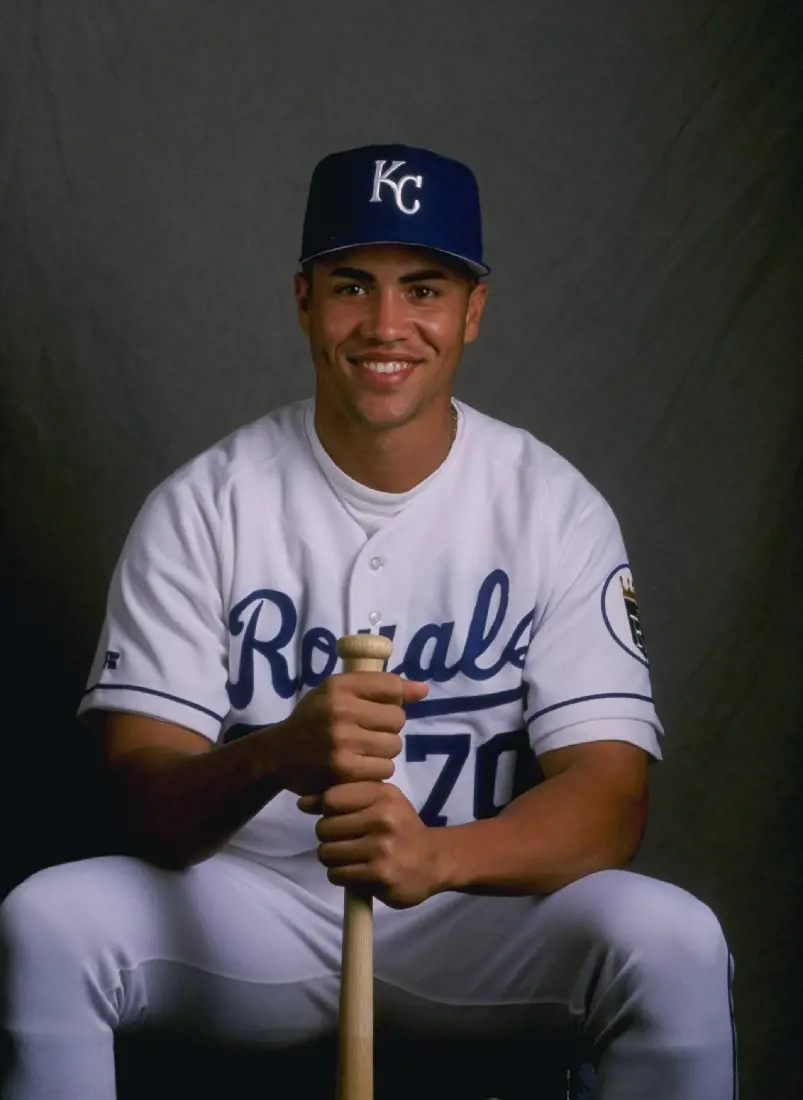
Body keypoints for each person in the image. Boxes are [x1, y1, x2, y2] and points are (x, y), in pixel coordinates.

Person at [0, 144, 737, 1099]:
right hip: (247, 909)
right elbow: (137, 790)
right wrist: (273, 755)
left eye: (423, 289)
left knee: (673, 940)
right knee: (46, 923)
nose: (386, 325)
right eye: (352, 286)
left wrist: (440, 855)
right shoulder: (205, 505)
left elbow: (608, 797)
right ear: (304, 300)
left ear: (472, 309)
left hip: (467, 909)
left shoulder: (550, 507)